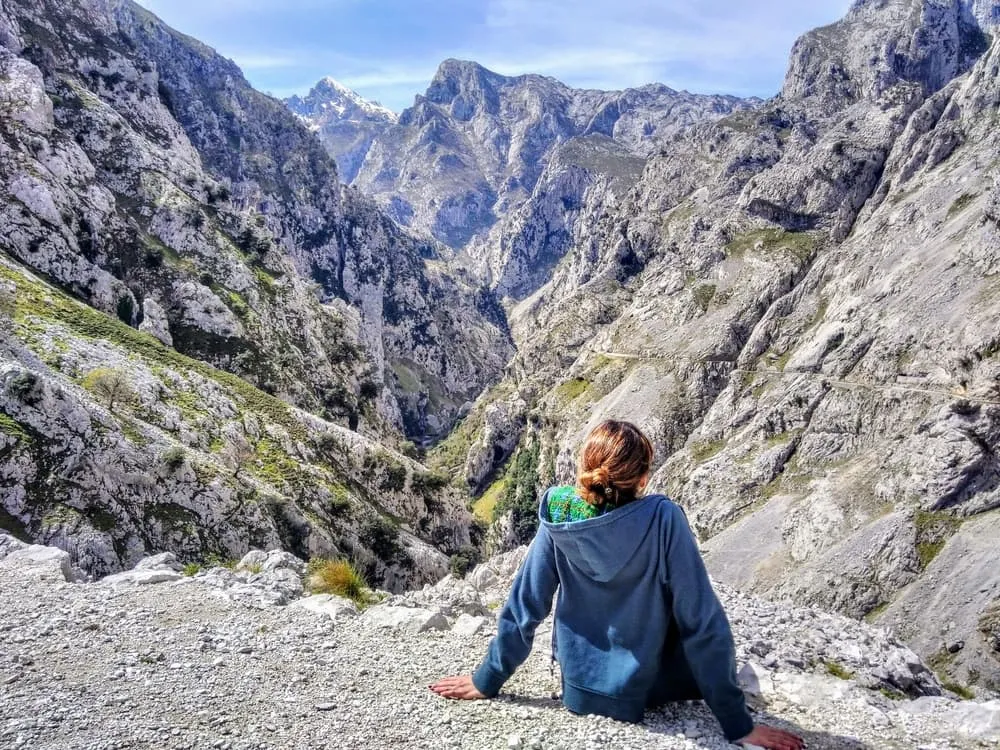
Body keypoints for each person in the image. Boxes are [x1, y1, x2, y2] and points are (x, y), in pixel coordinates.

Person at [431, 420, 804, 750]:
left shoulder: (558, 513)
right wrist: (738, 724)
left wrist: (488, 679)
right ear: (642, 480)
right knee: (717, 646)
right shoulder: (662, 518)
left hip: (578, 691)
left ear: (585, 470)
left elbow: (526, 604)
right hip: (650, 688)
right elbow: (701, 621)